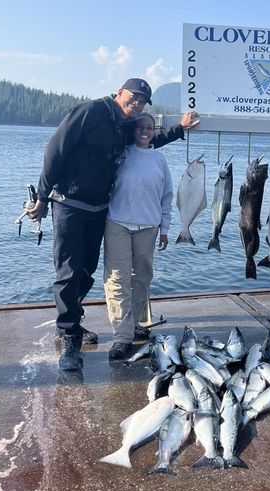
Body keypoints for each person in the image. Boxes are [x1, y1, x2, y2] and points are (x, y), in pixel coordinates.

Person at [29, 78, 199, 371]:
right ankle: (70, 338)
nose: (136, 104)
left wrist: (179, 129)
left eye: (142, 102)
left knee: (87, 269)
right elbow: (55, 150)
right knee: (68, 271)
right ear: (120, 92)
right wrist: (43, 197)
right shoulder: (91, 111)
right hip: (69, 203)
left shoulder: (126, 124)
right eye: (133, 98)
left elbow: (146, 142)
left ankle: (68, 322)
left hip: (98, 209)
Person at [103, 113, 173, 359]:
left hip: (149, 226)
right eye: (141, 127)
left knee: (142, 277)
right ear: (132, 130)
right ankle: (122, 336)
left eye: (150, 127)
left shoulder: (159, 159)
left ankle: (133, 325)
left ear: (154, 131)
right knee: (118, 280)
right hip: (117, 224)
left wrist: (165, 228)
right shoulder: (121, 153)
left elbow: (167, 196)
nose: (145, 131)